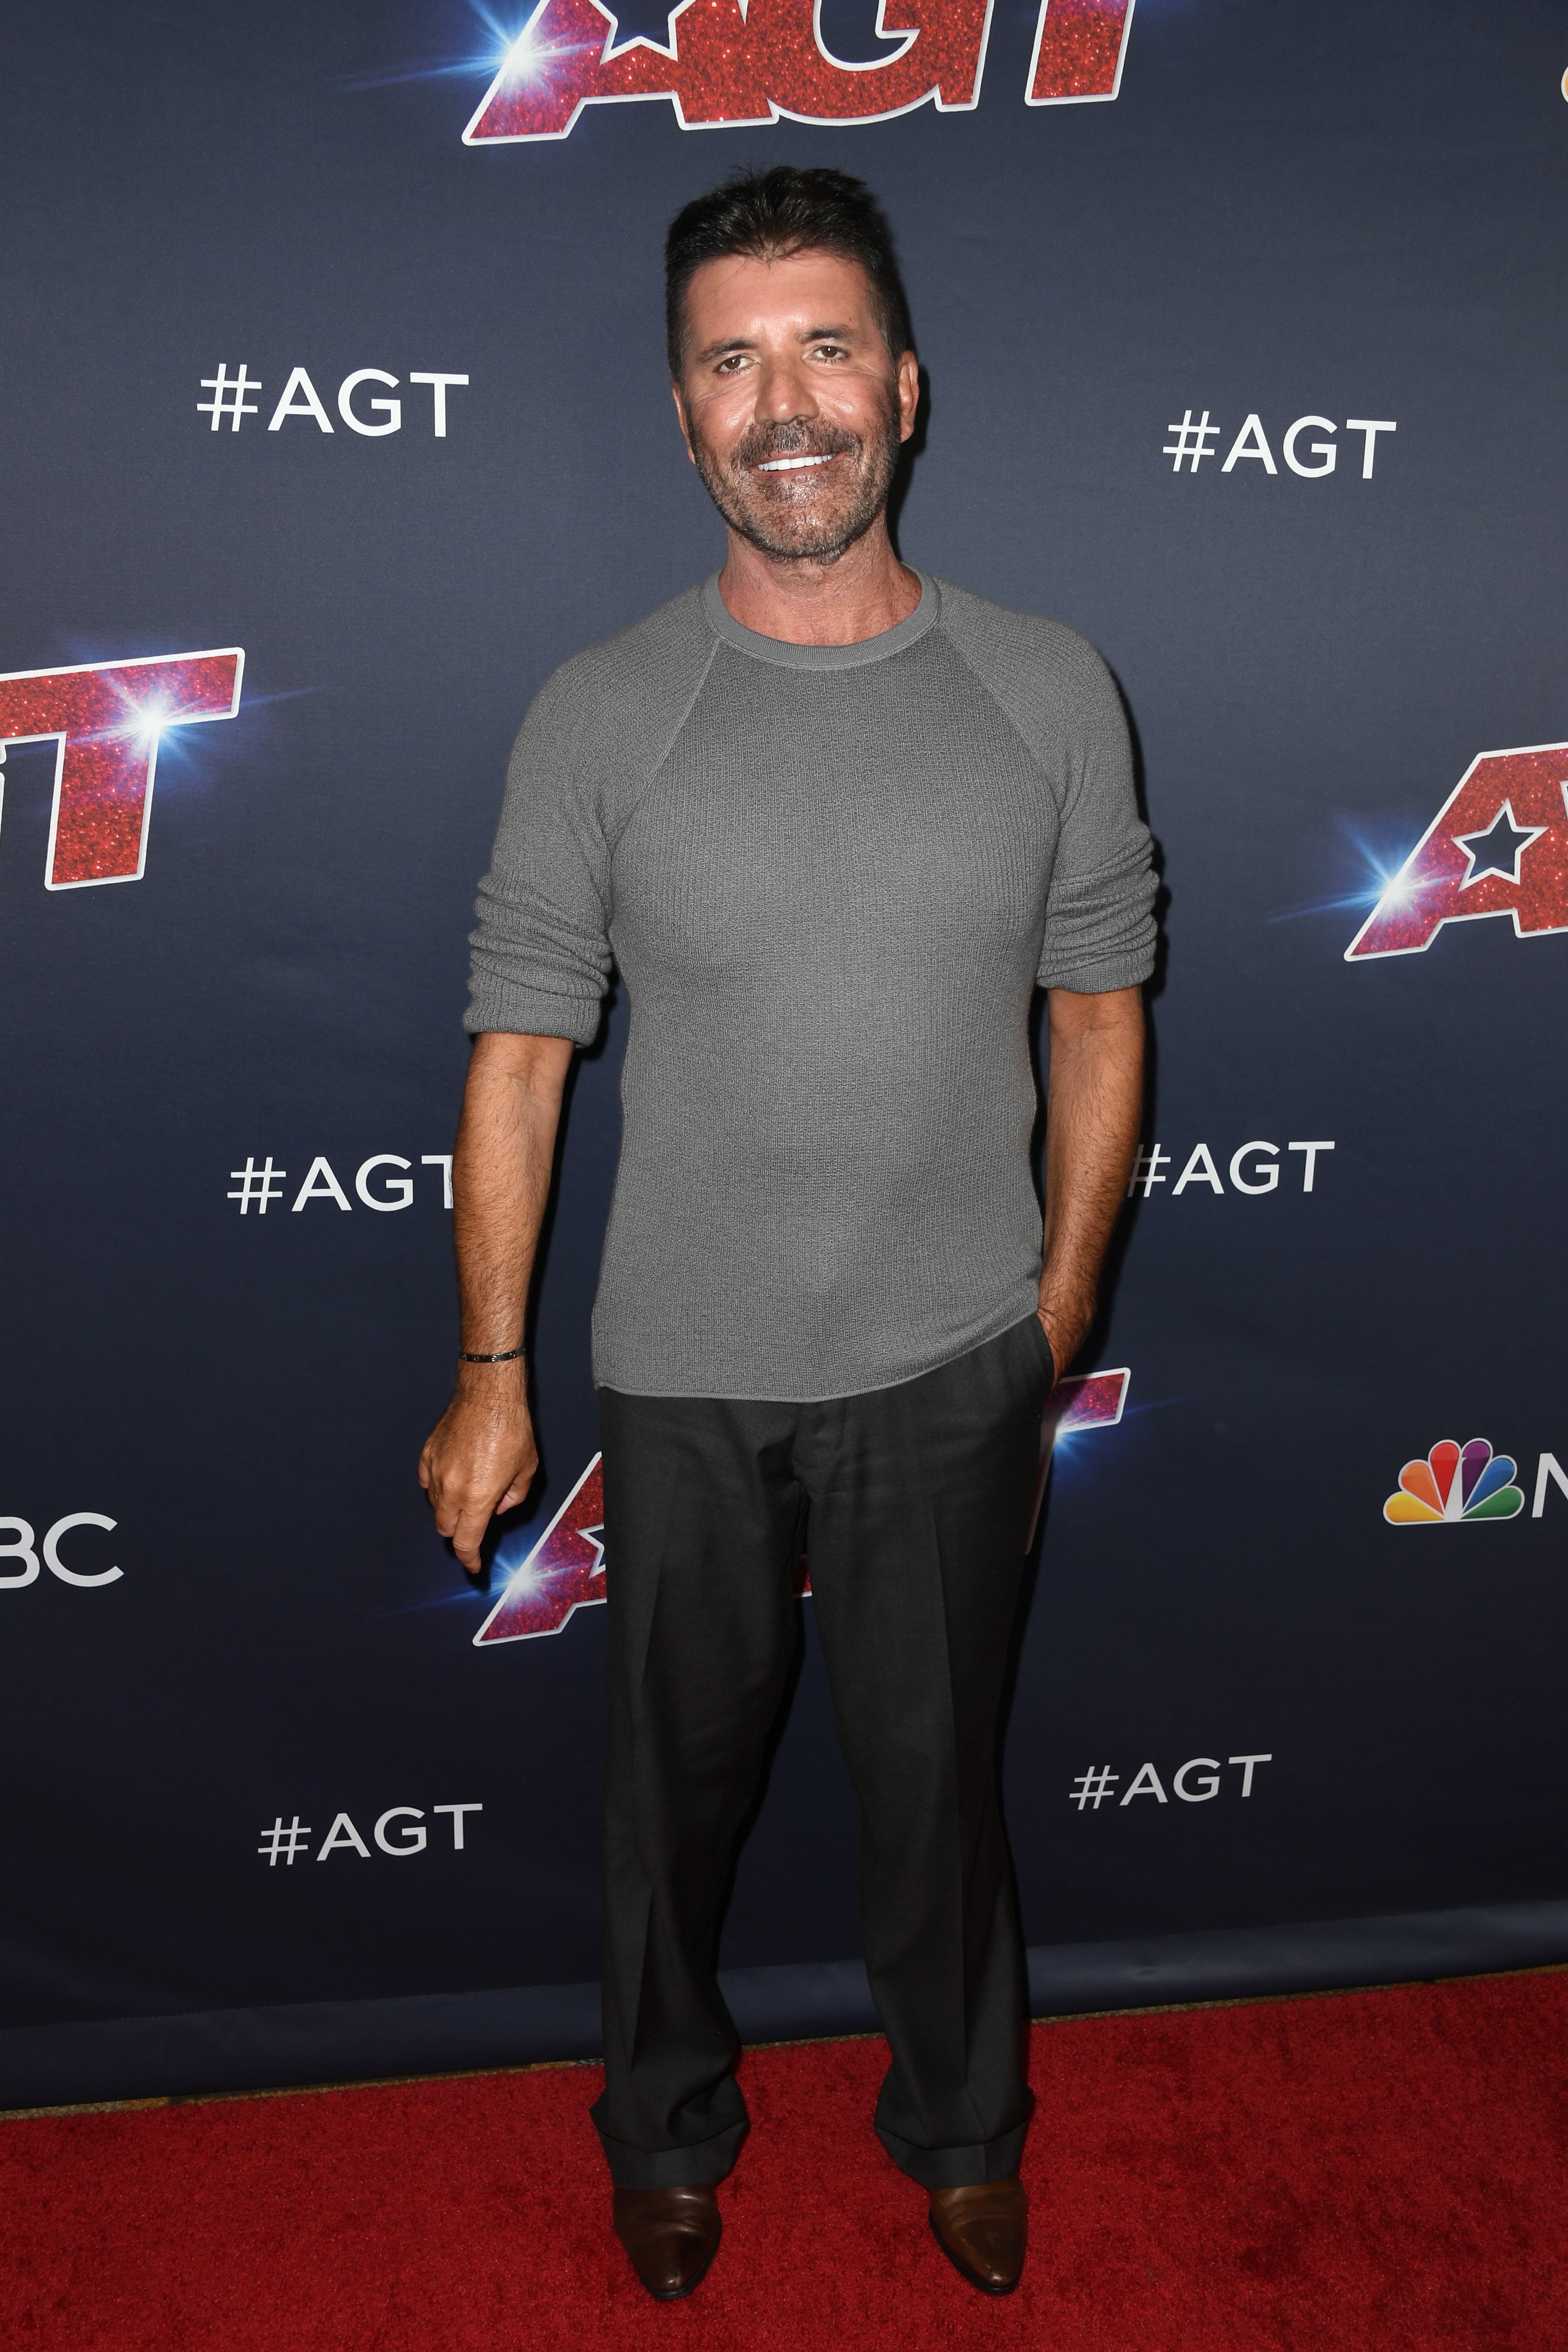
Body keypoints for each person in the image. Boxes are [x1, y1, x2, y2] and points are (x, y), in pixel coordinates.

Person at [420, 164, 1154, 2302]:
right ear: (681, 418)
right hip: (680, 1365)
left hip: (951, 1358)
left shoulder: (1045, 685)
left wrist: (1050, 1314)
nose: (786, 399)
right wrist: (490, 1376)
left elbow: (1100, 1012)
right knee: (673, 1820)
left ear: (905, 387)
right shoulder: (599, 709)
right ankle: (661, 2131)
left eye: (826, 344)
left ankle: (961, 2122)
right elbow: (520, 1056)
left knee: (943, 1805)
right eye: (732, 360)